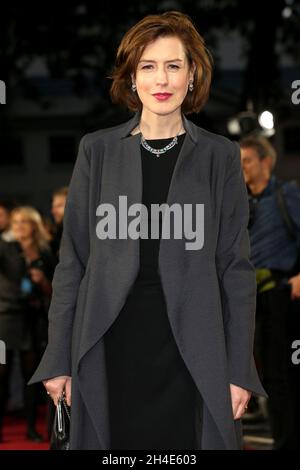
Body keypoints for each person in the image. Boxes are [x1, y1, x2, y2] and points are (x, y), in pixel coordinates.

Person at [29, 11, 266, 450]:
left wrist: (238, 370)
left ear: (192, 75)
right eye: (148, 66)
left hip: (193, 350)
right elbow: (73, 263)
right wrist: (58, 358)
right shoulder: (96, 151)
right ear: (131, 77)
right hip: (108, 345)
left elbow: (236, 270)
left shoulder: (220, 157)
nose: (162, 78)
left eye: (174, 65)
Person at [239, 135, 300, 450]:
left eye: (247, 160)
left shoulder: (286, 194)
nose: (243, 168)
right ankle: (282, 439)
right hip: (256, 298)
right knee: (268, 377)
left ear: (266, 161)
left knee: (285, 373)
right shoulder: (243, 204)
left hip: (284, 293)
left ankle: (287, 440)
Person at [0, 206, 56, 442]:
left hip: (32, 321)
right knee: (1, 375)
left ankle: (32, 428)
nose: (20, 225)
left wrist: (42, 280)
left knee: (31, 377)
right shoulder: (4, 248)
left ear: (34, 224)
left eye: (25, 221)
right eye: (16, 222)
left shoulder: (45, 252)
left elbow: (54, 291)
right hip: (4, 320)